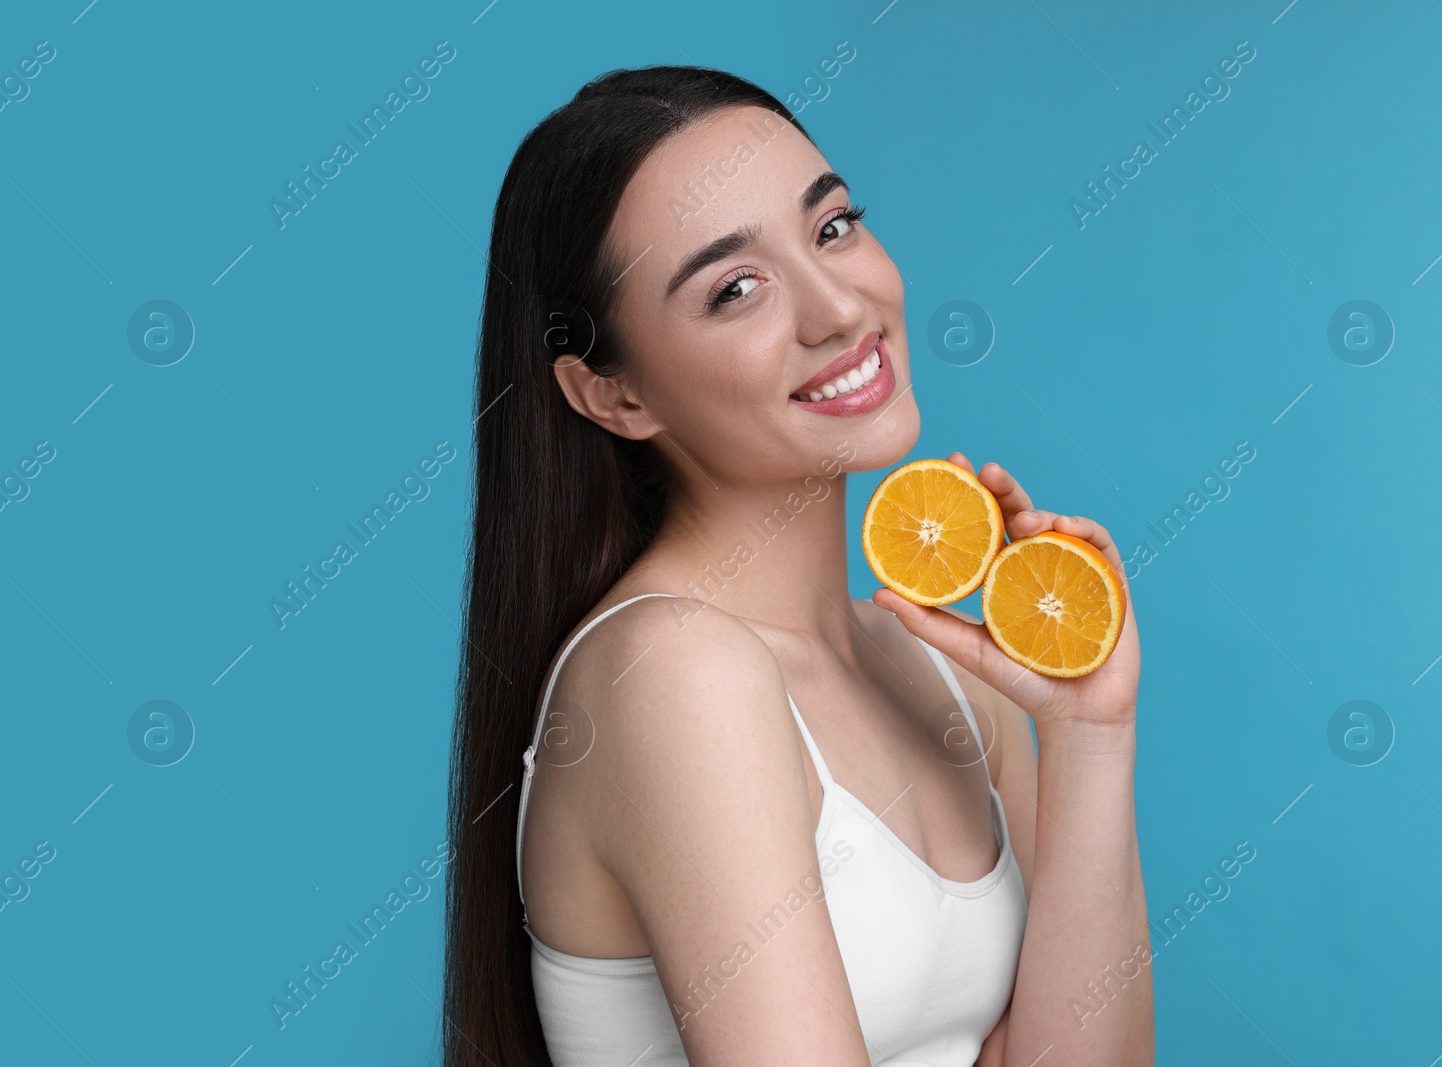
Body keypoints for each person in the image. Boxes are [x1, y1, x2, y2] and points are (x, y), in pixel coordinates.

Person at [443, 64, 1151, 1066]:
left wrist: (1087, 729)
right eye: (735, 289)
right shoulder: (671, 673)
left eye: (832, 227)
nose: (835, 308)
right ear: (614, 396)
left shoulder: (942, 670)